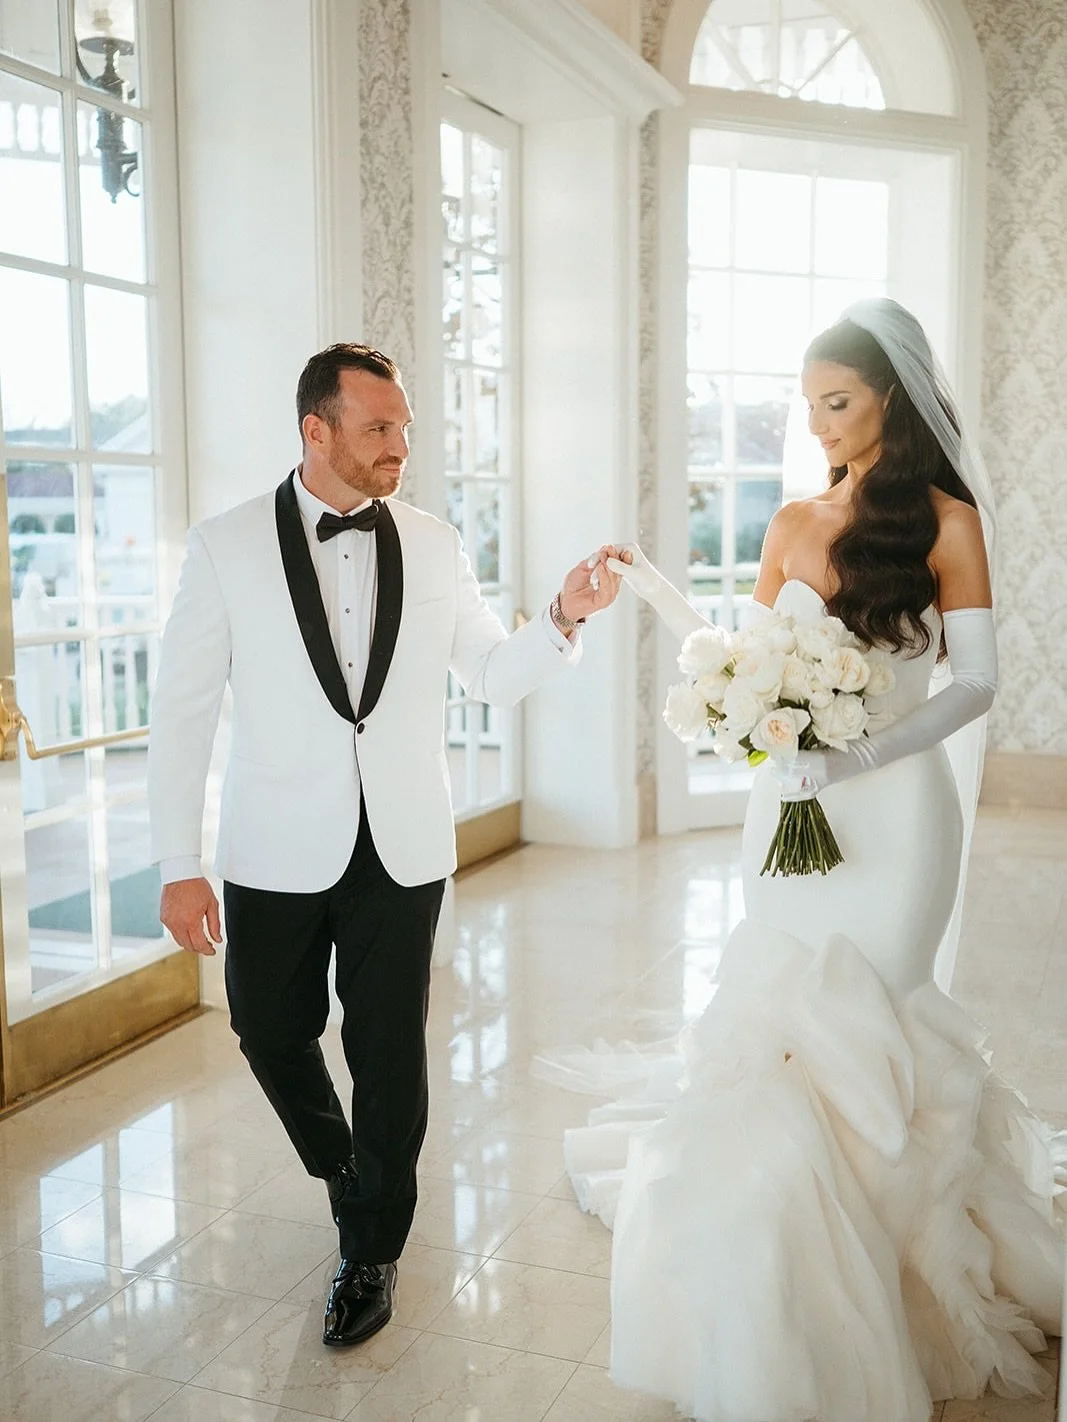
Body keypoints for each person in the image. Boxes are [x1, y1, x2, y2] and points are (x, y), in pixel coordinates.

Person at [538, 300, 1064, 1421]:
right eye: (809, 404)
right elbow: (744, 658)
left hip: (896, 818)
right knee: (780, 1028)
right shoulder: (787, 519)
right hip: (786, 817)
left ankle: (905, 1275)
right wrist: (648, 590)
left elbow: (973, 685)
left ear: (894, 400)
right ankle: (787, 1292)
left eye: (839, 401)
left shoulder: (944, 520)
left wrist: (860, 751)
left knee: (877, 1019)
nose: (820, 423)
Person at [147, 342, 623, 1349]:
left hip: (401, 844)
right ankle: (349, 1172)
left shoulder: (435, 542)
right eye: (378, 428)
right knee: (267, 1028)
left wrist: (564, 617)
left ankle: (371, 1246)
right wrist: (176, 863)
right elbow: (182, 715)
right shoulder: (224, 545)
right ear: (315, 431)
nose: (400, 445)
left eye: (403, 425)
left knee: (388, 1048)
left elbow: (491, 674)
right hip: (272, 843)